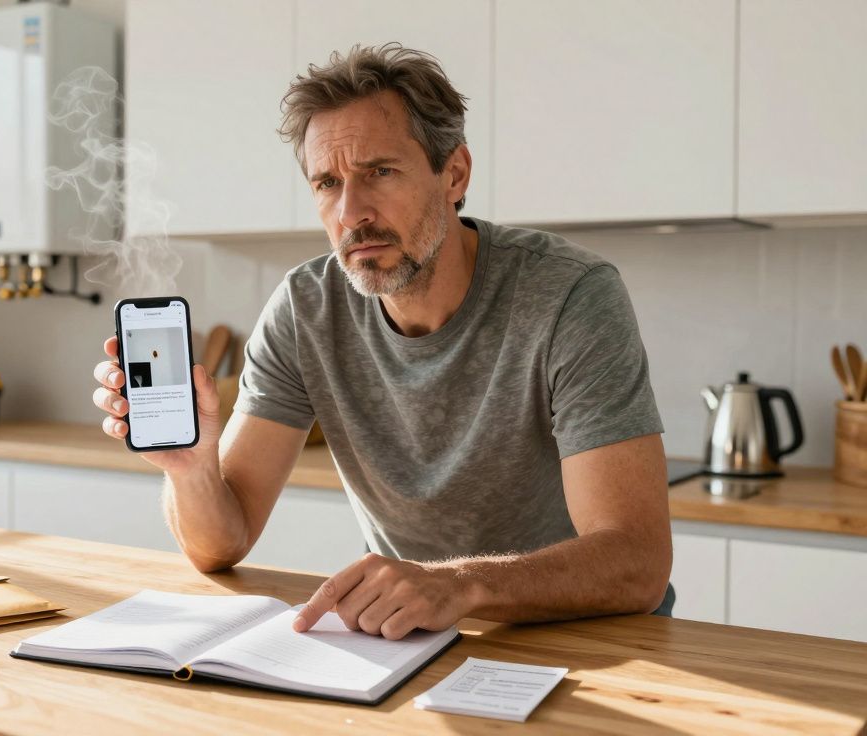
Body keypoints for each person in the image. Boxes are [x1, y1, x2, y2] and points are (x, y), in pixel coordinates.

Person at [91, 43, 672, 640]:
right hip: (413, 638)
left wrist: (459, 586)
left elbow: (636, 564)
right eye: (327, 182)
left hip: (588, 636)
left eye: (380, 172)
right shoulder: (304, 308)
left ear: (455, 173)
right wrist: (191, 470)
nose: (351, 211)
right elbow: (221, 544)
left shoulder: (570, 294)